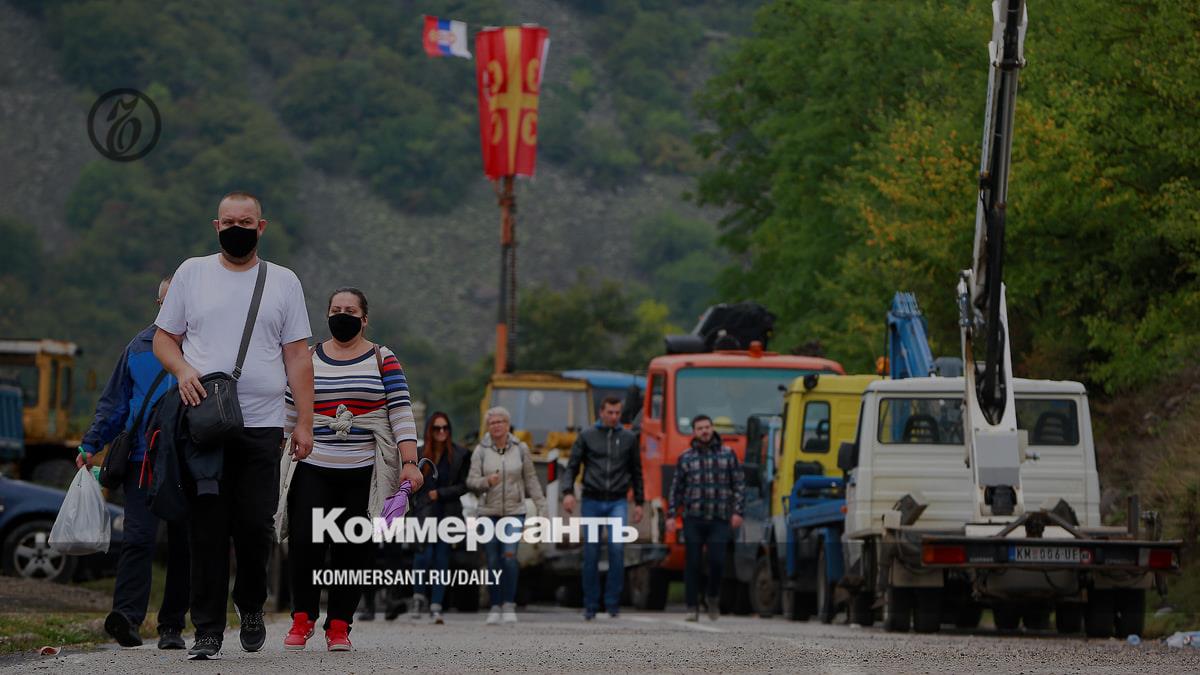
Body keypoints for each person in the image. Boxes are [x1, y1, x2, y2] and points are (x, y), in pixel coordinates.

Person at [153, 191, 314, 660]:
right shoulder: (192, 273)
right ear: (215, 226)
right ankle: (205, 627)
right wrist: (183, 370)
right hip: (203, 422)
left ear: (261, 227)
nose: (237, 228)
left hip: (262, 426)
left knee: (253, 525)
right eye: (229, 221)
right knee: (206, 527)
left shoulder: (283, 282)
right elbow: (165, 338)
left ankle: (249, 604)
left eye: (246, 221)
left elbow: (298, 356)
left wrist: (304, 422)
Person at [276, 287, 422, 651]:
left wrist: (410, 462)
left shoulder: (382, 358)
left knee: (352, 548)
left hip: (364, 470)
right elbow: (289, 413)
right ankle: (302, 617)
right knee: (306, 543)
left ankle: (339, 624)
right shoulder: (307, 358)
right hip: (312, 464)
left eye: (350, 310)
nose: (343, 314)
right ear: (326, 315)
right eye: (336, 309)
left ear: (364, 318)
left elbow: (400, 412)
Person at [77, 276, 190, 650]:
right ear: (159, 305)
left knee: (183, 544)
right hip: (143, 459)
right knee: (138, 540)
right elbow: (115, 403)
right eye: (167, 301)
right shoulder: (138, 347)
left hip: (189, 463)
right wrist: (91, 443)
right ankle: (126, 618)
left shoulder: (207, 347)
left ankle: (172, 625)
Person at [560, 396, 644, 620]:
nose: (614, 417)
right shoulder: (587, 435)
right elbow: (572, 466)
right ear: (601, 412)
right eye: (610, 413)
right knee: (591, 552)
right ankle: (590, 605)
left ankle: (612, 604)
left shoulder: (628, 438)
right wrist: (568, 492)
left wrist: (639, 502)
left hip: (617, 501)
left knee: (617, 551)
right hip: (592, 500)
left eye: (618, 413)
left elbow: (636, 471)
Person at [466, 406, 546, 625]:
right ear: (488, 426)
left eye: (500, 421)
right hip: (488, 512)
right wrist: (486, 482)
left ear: (508, 425)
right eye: (492, 422)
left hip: (514, 511)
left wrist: (542, 507)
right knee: (493, 560)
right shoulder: (480, 450)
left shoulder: (521, 449)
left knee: (509, 557)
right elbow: (471, 481)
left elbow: (530, 479)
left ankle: (509, 604)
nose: (497, 425)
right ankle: (495, 604)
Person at [668, 414, 745, 622]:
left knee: (717, 561)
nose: (704, 431)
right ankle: (691, 606)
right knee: (692, 563)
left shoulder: (728, 455)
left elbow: (738, 485)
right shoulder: (686, 457)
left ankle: (712, 596)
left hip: (719, 518)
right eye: (700, 428)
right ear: (694, 431)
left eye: (707, 427)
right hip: (693, 518)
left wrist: (737, 512)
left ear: (712, 429)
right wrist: (671, 514)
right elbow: (677, 489)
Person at [407, 412, 470, 624]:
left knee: (442, 559)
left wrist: (440, 494)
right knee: (422, 556)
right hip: (424, 513)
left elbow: (464, 486)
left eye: (445, 428)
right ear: (430, 430)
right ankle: (417, 598)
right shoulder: (418, 453)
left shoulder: (460, 454)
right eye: (437, 428)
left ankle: (436, 605)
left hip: (448, 513)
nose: (441, 432)